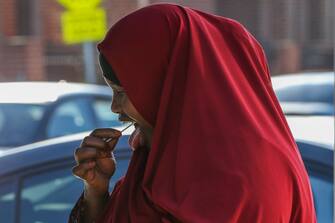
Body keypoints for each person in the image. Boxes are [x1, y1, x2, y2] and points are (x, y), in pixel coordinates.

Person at [69, 3, 316, 223]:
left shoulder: (244, 186)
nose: (114, 107)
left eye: (122, 92)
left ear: (166, 87)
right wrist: (96, 193)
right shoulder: (160, 165)